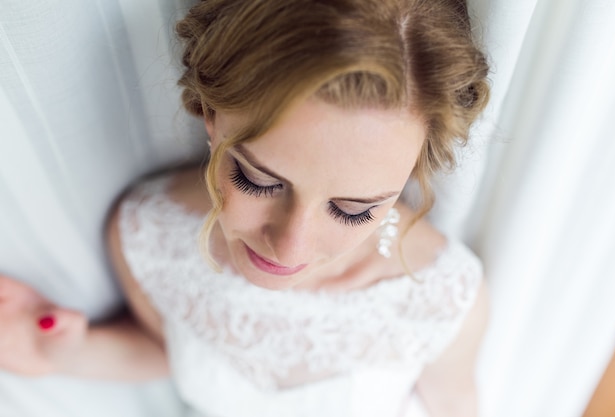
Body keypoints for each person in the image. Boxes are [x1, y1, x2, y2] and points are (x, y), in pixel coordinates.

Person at [1, 0, 490, 416]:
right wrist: (62, 352)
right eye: (256, 179)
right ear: (210, 115)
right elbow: (171, 350)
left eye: (352, 210)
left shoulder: (445, 299)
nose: (288, 246)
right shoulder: (147, 235)